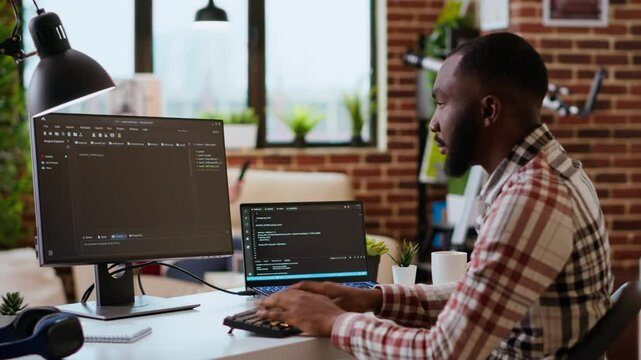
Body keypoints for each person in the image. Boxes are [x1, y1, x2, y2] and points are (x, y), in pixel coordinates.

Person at [256, 32, 613, 359]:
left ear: (488, 111)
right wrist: (374, 298)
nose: (433, 123)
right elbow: (477, 297)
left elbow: (443, 351)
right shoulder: (549, 171)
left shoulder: (530, 198)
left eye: (442, 103)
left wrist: (334, 321)